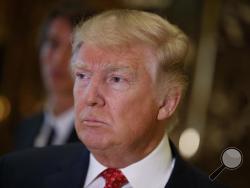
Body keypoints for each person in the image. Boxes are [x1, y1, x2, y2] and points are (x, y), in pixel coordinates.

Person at [1, 9, 225, 188]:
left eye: (116, 79)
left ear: (167, 102)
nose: (90, 98)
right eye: (82, 76)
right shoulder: (15, 174)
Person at [14, 2, 89, 149]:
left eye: (73, 49)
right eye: (53, 44)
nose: (58, 59)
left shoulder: (94, 137)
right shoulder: (25, 129)